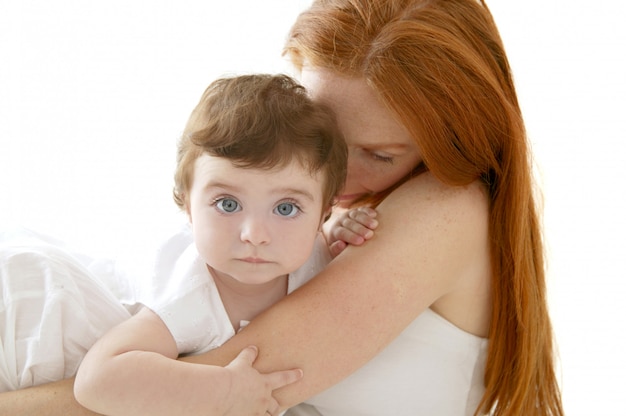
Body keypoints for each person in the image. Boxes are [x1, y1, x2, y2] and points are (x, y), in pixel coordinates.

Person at [0, 1, 564, 415]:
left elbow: (209, 388)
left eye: (377, 154)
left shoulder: (446, 208)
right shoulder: (302, 215)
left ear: (451, 141)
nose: (331, 174)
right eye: (323, 140)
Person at [71, 73, 349, 416]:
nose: (254, 234)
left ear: (323, 213)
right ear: (187, 206)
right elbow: (95, 382)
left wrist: (342, 231)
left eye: (286, 208)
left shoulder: (320, 248)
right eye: (228, 204)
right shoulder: (191, 297)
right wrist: (223, 390)